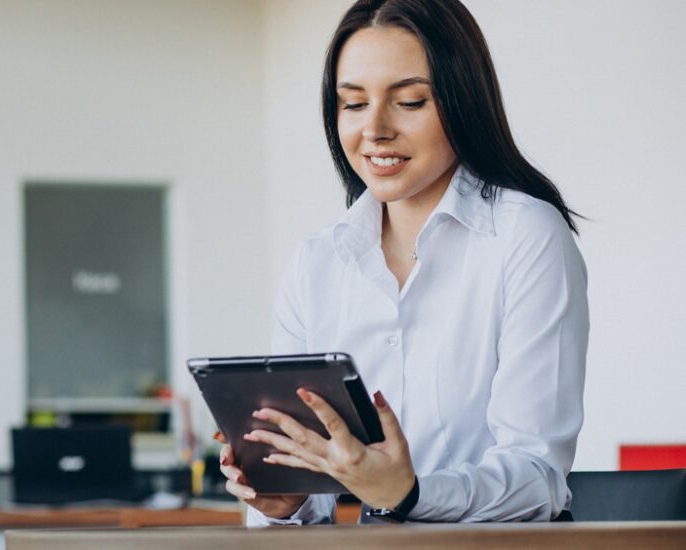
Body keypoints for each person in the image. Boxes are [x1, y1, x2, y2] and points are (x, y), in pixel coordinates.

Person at [217, 0, 589, 524]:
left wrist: (410, 492)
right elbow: (312, 482)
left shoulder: (526, 235)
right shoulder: (317, 262)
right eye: (352, 104)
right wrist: (286, 500)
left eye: (410, 101)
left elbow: (537, 476)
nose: (375, 129)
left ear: (462, 103)